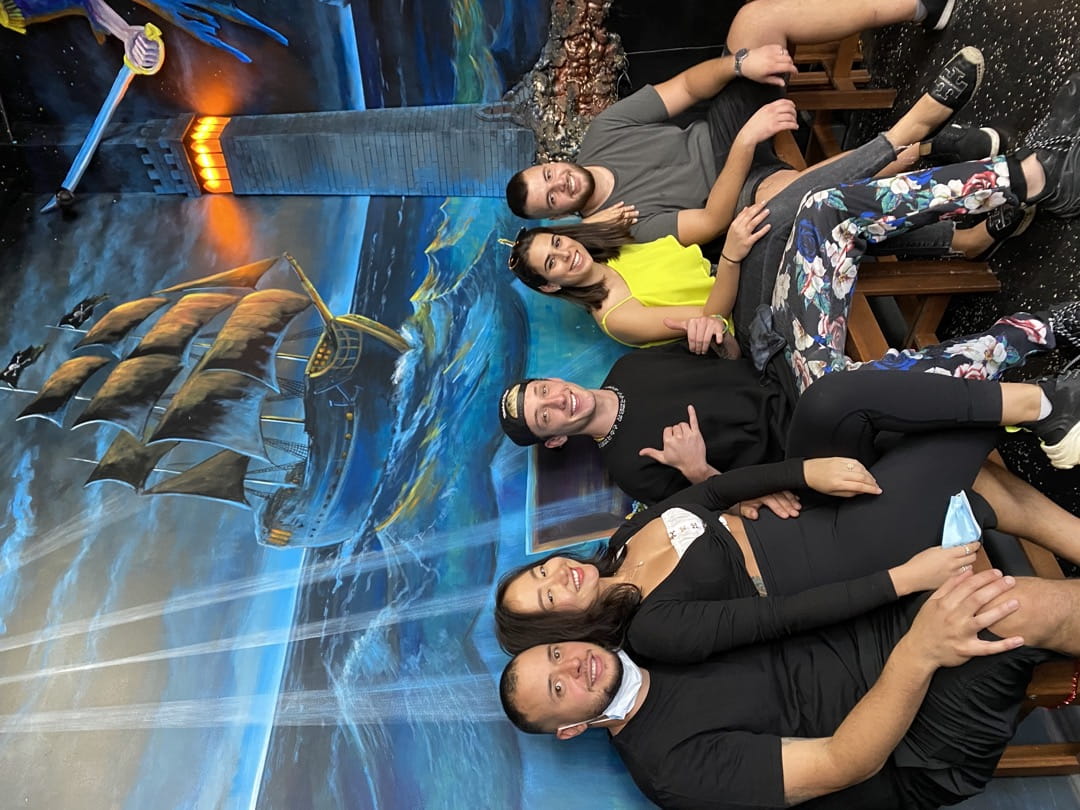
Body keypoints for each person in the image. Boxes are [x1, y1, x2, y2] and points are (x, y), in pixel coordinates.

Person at [494, 370, 1080, 662]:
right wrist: (904, 580)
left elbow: (713, 495)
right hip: (839, 553)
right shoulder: (651, 632)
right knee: (942, 447)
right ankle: (1046, 400)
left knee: (831, 399)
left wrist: (803, 473)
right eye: (548, 597)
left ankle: (1044, 404)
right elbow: (782, 619)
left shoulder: (623, 539)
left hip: (799, 506)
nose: (557, 575)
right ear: (560, 628)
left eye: (542, 571)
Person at [498, 566, 1080, 808]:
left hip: (877, 640)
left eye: (556, 654)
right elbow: (844, 762)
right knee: (1011, 605)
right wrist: (920, 650)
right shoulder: (670, 769)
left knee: (953, 484)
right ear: (570, 729)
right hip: (913, 744)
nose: (572, 667)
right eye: (557, 690)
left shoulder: (647, 638)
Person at [497, 294, 1078, 504]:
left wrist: (715, 336)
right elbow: (729, 508)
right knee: (850, 390)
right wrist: (698, 470)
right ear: (555, 439)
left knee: (817, 216)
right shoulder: (630, 470)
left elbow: (729, 360)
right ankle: (1040, 349)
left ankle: (1040, 367)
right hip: (805, 442)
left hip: (787, 372)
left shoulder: (629, 365)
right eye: (544, 416)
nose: (555, 402)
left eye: (543, 391)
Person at [506, 0, 973, 247]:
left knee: (754, 20)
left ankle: (920, 6)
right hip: (740, 188)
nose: (560, 183)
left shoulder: (602, 133)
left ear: (551, 163)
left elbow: (686, 88)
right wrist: (747, 143)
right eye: (552, 198)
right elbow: (711, 221)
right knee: (796, 196)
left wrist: (739, 65)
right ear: (558, 215)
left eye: (548, 175)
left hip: (721, 128)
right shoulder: (621, 226)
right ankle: (929, 148)